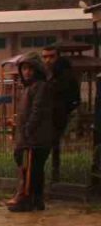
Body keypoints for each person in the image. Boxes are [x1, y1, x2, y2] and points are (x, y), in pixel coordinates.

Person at [9, 56, 54, 213]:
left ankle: (27, 199)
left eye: (30, 69)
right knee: (32, 169)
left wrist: (28, 130)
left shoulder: (40, 87)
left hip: (35, 138)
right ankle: (36, 200)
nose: (27, 72)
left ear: (37, 70)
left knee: (31, 170)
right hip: (30, 136)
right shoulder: (29, 87)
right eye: (24, 69)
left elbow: (38, 110)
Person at [42, 45, 80, 183]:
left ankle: (55, 175)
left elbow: (74, 96)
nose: (48, 60)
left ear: (58, 57)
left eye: (51, 56)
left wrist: (64, 110)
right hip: (45, 115)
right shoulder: (43, 73)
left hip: (59, 115)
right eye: (45, 57)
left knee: (53, 145)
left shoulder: (65, 74)